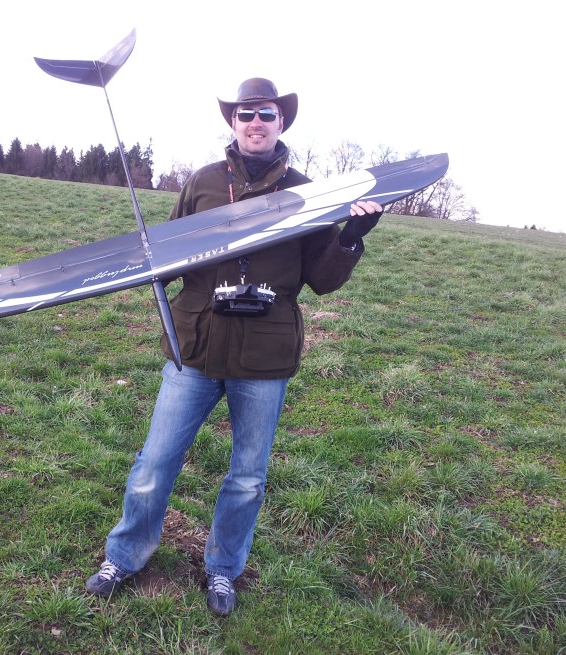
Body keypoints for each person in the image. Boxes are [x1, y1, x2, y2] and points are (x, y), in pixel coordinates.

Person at [86, 78, 383, 616]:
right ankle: (124, 556)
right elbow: (166, 256)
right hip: (195, 348)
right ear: (233, 121)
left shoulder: (307, 192)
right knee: (155, 463)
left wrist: (351, 237)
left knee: (247, 478)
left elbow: (321, 279)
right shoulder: (202, 182)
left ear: (281, 122)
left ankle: (223, 569)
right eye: (246, 113)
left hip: (264, 355)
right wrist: (148, 262)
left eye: (266, 113)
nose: (256, 122)